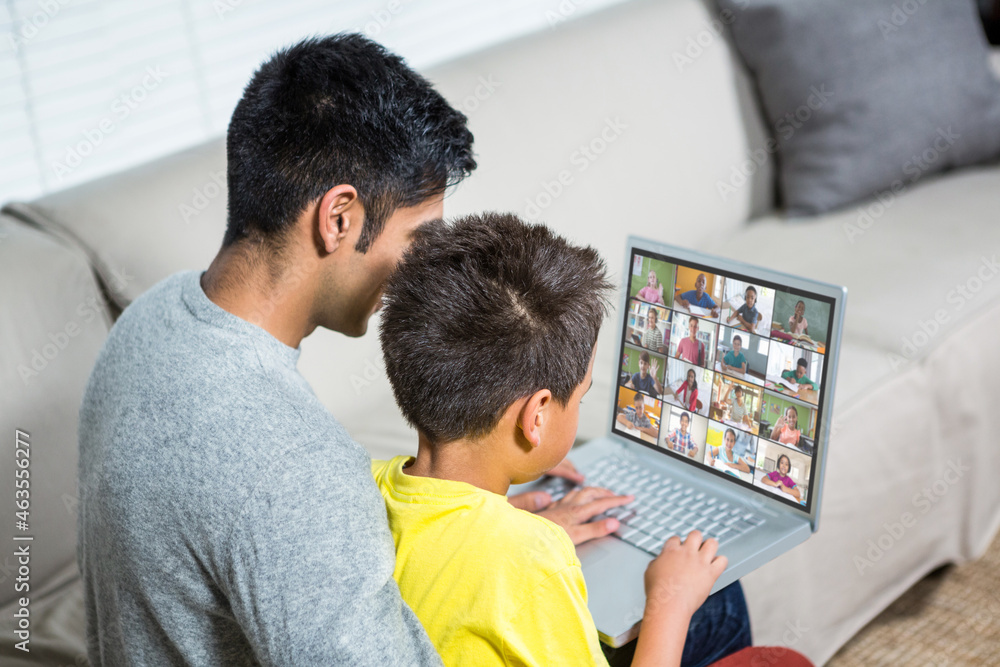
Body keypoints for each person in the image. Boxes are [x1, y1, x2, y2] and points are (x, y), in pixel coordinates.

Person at [75, 36, 614, 665]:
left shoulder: (150, 319)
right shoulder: (297, 470)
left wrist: (489, 542)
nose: (426, 267)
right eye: (420, 236)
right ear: (338, 218)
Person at [373, 214, 749, 666]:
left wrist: (509, 524)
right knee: (722, 602)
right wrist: (669, 603)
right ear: (535, 418)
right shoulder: (534, 562)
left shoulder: (370, 486)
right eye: (581, 397)